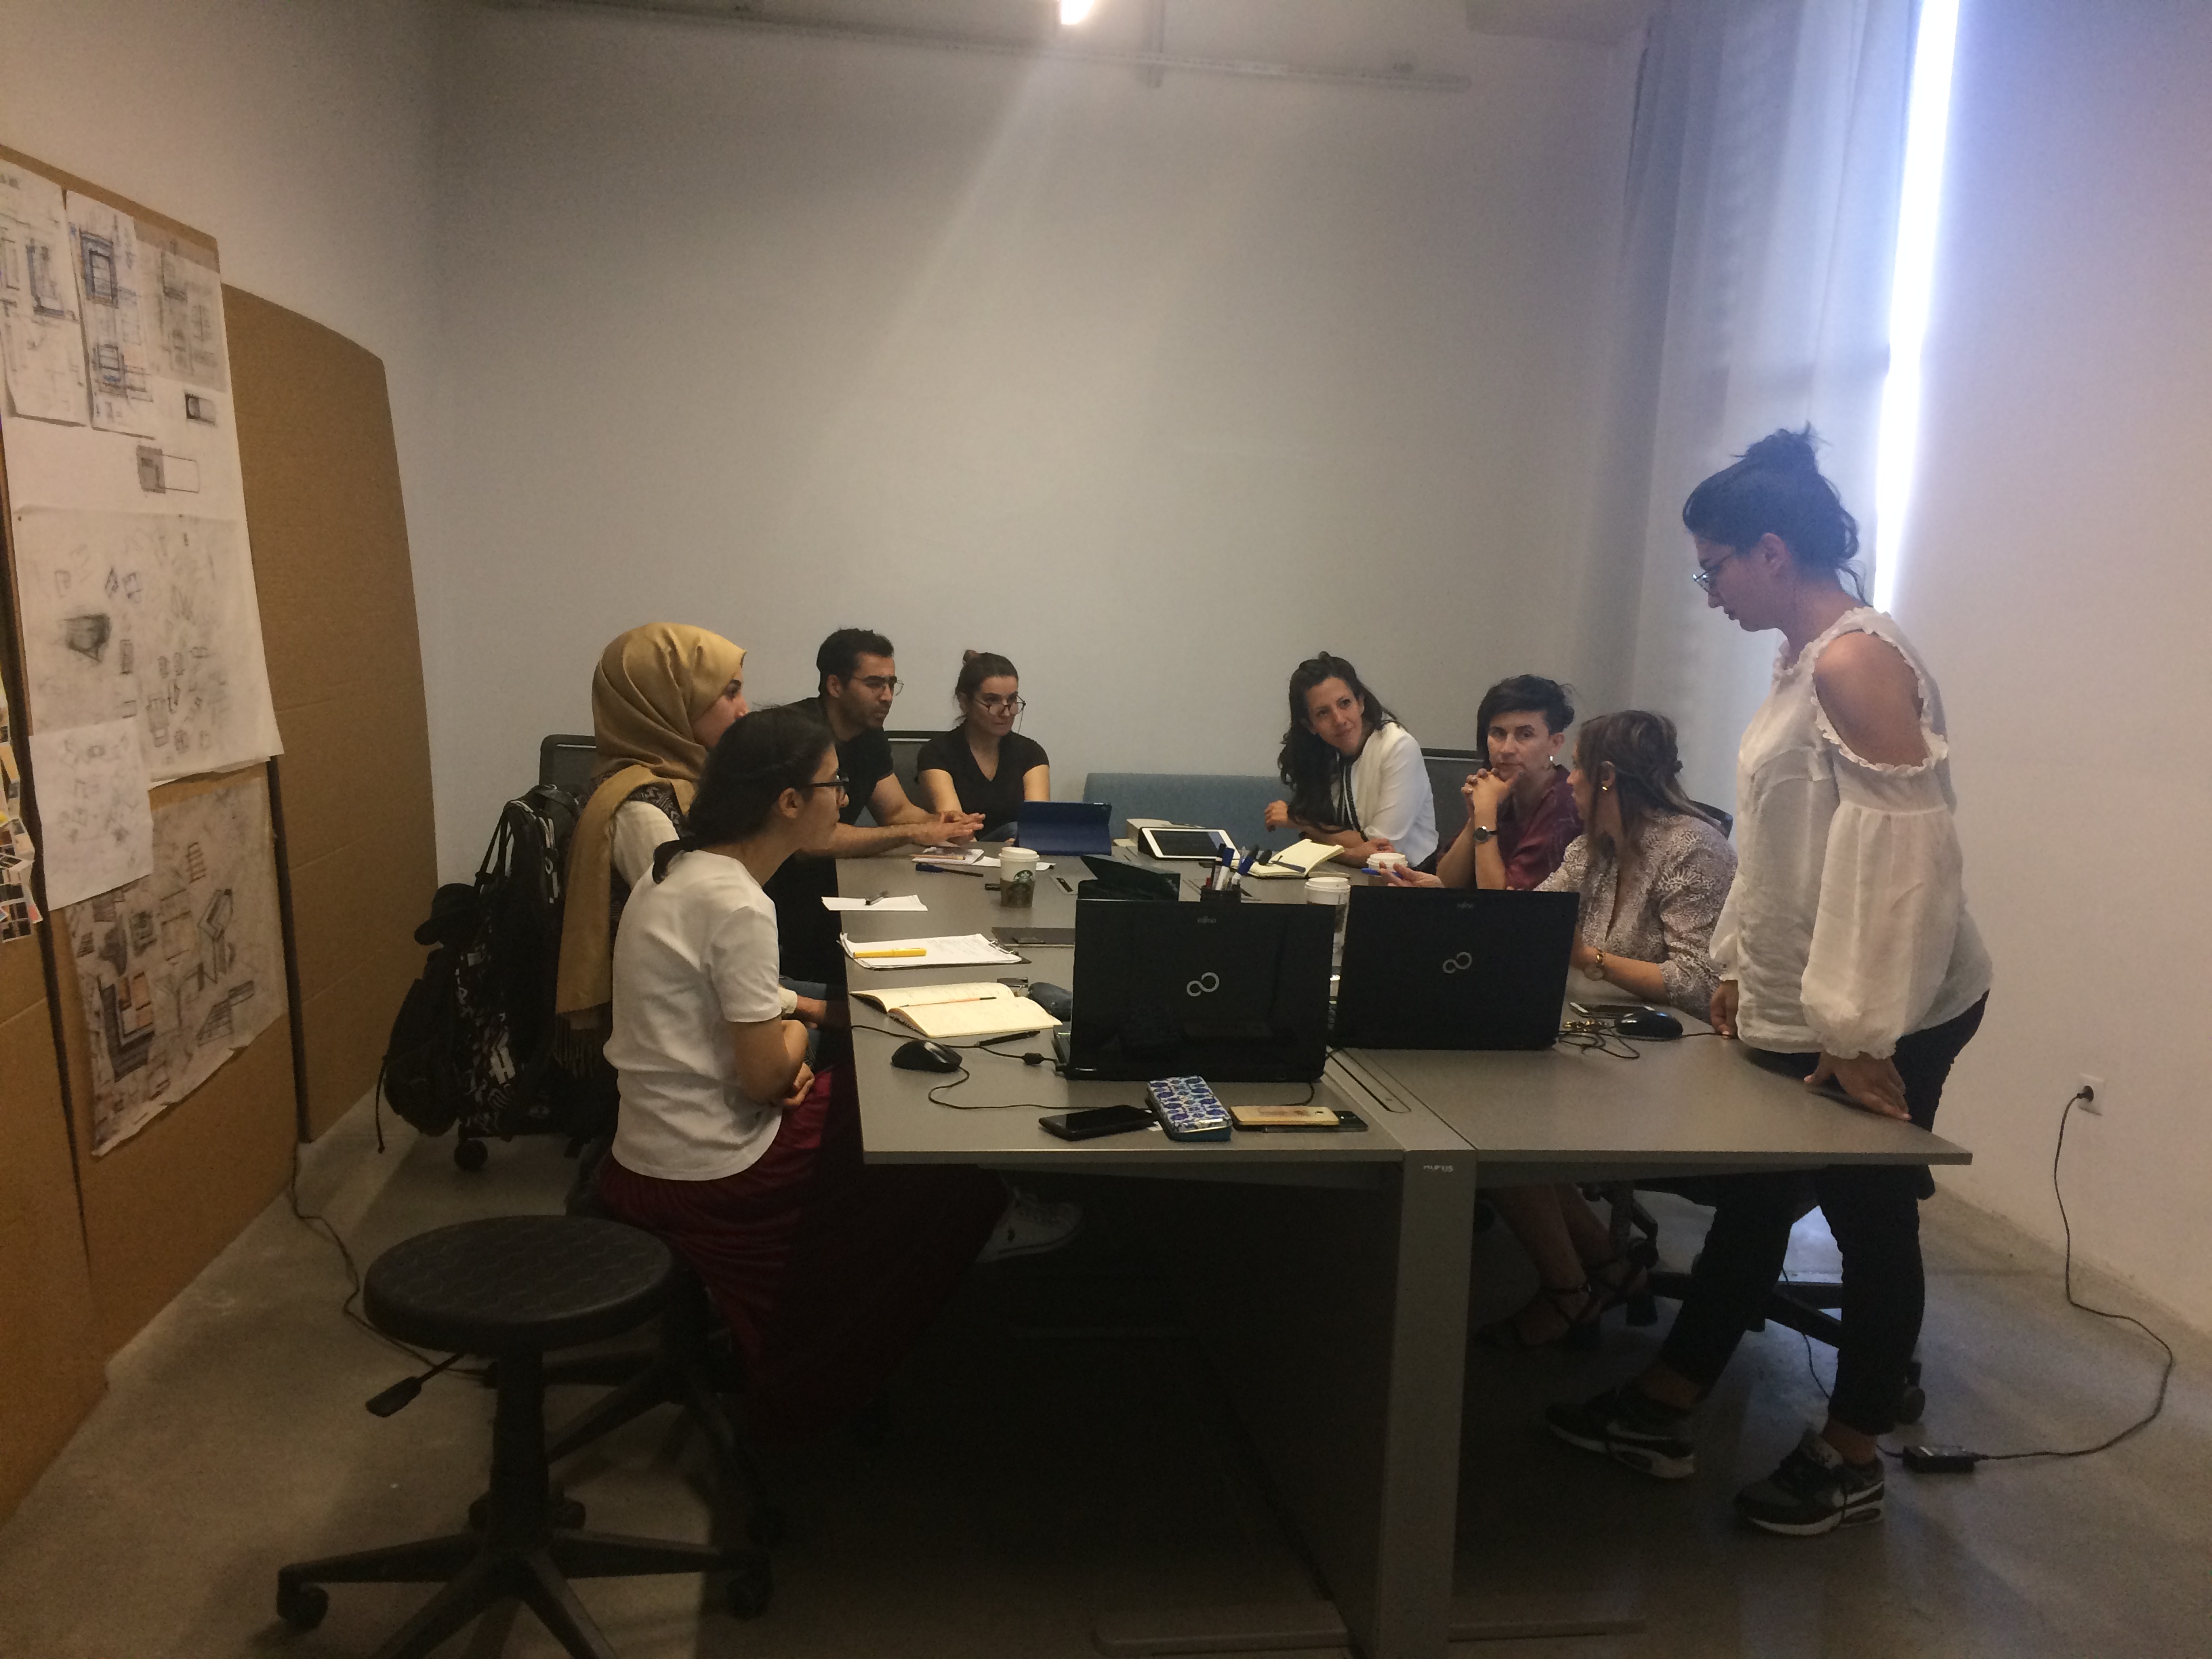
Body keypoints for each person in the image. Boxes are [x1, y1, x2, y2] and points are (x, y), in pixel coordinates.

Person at [1545, 428, 1991, 1538]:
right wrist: (1742, 970)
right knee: (1756, 1194)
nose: (1707, 593)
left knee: (1870, 1215)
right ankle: (1666, 1402)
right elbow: (1783, 846)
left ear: (1772, 551)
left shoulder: (1852, 660)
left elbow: (1901, 865)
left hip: (1894, 1003)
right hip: (1814, 997)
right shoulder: (1800, 660)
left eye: (1714, 569)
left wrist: (1858, 1031)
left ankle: (1852, 1453)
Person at [595, 705, 1078, 1442]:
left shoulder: (681, 868)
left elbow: (732, 999)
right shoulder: (739, 903)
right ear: (790, 802)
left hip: (647, 1145)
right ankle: (830, 1356)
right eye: (835, 784)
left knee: (863, 1076)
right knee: (922, 1127)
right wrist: (794, 1038)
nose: (845, 797)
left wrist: (809, 1015)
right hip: (710, 1168)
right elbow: (767, 1080)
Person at [1390, 710, 1736, 1345]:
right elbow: (1526, 923)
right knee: (1486, 1102)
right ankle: (1609, 1268)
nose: (1568, 778)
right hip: (1608, 1042)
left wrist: (1589, 958)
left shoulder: (1693, 847)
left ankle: (1569, 1292)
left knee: (1500, 1122)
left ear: (1606, 777)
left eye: (1576, 766)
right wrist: (1436, 894)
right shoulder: (1594, 848)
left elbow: (1699, 984)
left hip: (1679, 1064)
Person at [556, 623, 828, 1048]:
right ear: (669, 699)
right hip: (678, 1026)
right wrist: (805, 1009)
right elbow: (693, 948)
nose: (743, 710)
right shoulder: (640, 809)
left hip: (715, 992)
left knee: (859, 1002)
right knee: (853, 1033)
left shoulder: (684, 781)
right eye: (730, 693)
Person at [764, 628, 985, 983]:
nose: (887, 696)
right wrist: (913, 832)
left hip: (837, 886)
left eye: (891, 684)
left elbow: (896, 811)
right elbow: (809, 840)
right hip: (784, 896)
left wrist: (942, 824)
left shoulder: (870, 735)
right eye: (874, 684)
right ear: (835, 685)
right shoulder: (797, 736)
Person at [1262, 653, 1437, 867]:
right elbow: (1313, 839)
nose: (1339, 720)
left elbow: (1379, 851)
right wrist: (1332, 842)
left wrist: (1304, 823)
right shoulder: (1321, 754)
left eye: (1345, 703)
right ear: (1309, 725)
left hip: (1408, 879)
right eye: (1323, 713)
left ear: (1360, 703)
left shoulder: (1398, 746)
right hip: (1341, 875)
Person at [1433, 675, 1581, 889]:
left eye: (1525, 735)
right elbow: (1445, 883)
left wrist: (1486, 815)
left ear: (1554, 744)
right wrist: (1476, 818)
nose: (1506, 749)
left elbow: (1502, 903)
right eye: (1498, 733)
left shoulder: (1566, 805)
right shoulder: (1500, 791)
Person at [916, 650, 1050, 835]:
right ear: (964, 702)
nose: (1006, 712)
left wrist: (1017, 845)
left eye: (1012, 700)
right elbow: (955, 829)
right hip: (962, 847)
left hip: (1017, 849)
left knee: (1015, 830)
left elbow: (1036, 827)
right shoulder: (937, 753)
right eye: (992, 701)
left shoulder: (1031, 753)